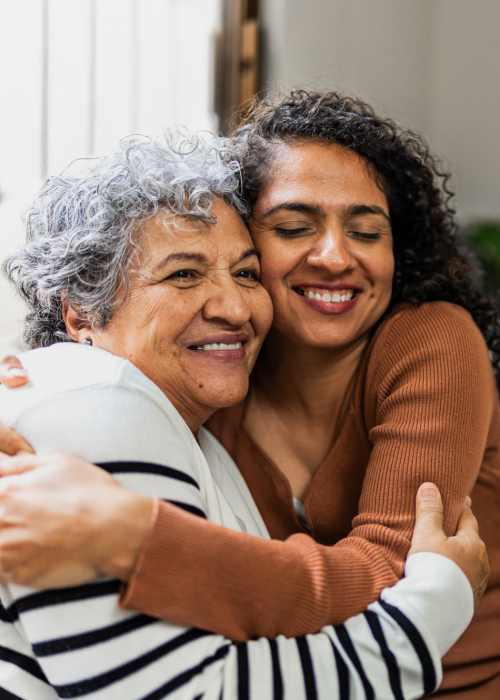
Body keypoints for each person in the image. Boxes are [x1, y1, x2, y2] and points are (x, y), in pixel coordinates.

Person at [0, 90, 498, 696]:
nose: (336, 256)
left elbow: (388, 579)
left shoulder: (423, 341)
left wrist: (136, 537)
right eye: (293, 226)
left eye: (367, 231)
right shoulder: (183, 394)